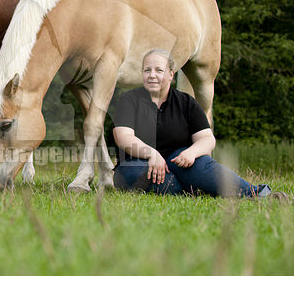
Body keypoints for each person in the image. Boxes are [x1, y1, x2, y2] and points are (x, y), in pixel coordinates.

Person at [112, 48, 280, 198]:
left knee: (203, 167)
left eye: (159, 70)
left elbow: (207, 139)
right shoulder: (129, 100)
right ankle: (194, 188)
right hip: (140, 161)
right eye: (147, 70)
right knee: (131, 173)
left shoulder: (186, 102)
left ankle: (258, 194)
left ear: (171, 74)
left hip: (180, 161)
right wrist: (152, 154)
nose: (152, 75)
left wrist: (192, 153)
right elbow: (123, 137)